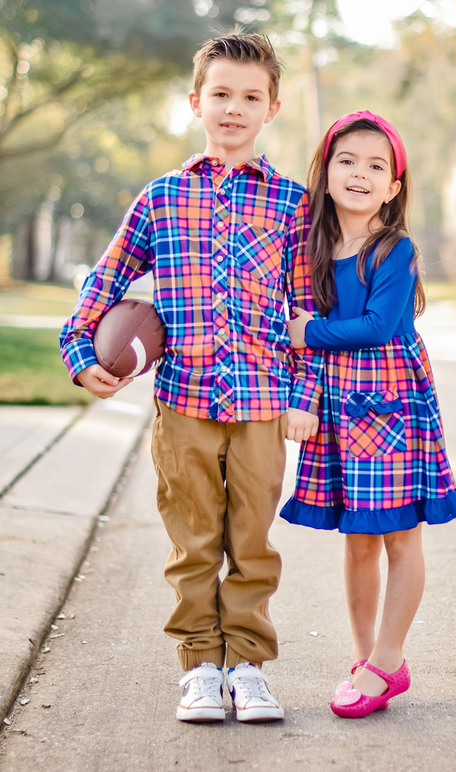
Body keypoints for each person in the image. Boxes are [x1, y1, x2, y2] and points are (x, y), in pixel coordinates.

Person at [60, 31, 322, 724]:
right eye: (221, 95)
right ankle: (201, 665)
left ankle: (249, 666)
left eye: (249, 97)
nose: (233, 108)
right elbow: (108, 279)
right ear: (195, 102)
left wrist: (305, 395)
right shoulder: (162, 198)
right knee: (194, 540)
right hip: (184, 404)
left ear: (272, 108)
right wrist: (80, 351)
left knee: (253, 544)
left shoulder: (294, 204)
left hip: (264, 404)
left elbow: (307, 309)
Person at [282, 110, 456, 719]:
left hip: (390, 401)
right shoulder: (308, 246)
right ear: (325, 172)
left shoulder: (395, 248)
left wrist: (311, 333)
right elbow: (300, 328)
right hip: (338, 408)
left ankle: (389, 660)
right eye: (347, 161)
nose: (360, 174)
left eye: (376, 166)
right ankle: (365, 661)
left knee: (398, 535)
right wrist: (303, 399)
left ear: (393, 187)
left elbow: (378, 327)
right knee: (358, 539)